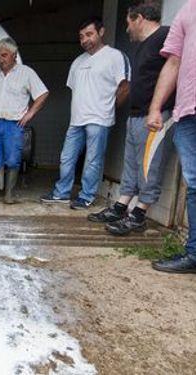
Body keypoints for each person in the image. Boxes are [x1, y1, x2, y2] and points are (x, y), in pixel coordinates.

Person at [88, 1, 174, 235]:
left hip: (156, 115)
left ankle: (138, 216)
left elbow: (175, 69)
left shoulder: (165, 36)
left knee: (149, 166)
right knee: (131, 165)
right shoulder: (144, 46)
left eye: (128, 23)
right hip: (136, 114)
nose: (126, 29)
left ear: (140, 19)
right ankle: (120, 206)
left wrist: (158, 109)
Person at [41, 17, 130, 209]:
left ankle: (86, 195)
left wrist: (109, 108)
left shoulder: (115, 56)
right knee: (67, 157)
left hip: (99, 119)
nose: (85, 40)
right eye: (81, 37)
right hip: (76, 120)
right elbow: (75, 90)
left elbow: (124, 86)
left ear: (101, 32)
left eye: (89, 34)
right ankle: (61, 193)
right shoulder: (77, 62)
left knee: (92, 160)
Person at [147, 0, 196, 273]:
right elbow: (174, 61)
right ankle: (194, 254)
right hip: (188, 112)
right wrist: (156, 107)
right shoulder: (188, 10)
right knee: (195, 186)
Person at [0, 37, 49, 204]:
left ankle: (9, 194)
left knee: (12, 158)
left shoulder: (26, 73)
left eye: (4, 55)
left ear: (14, 55)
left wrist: (29, 114)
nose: (0, 59)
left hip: (14, 124)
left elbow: (43, 94)